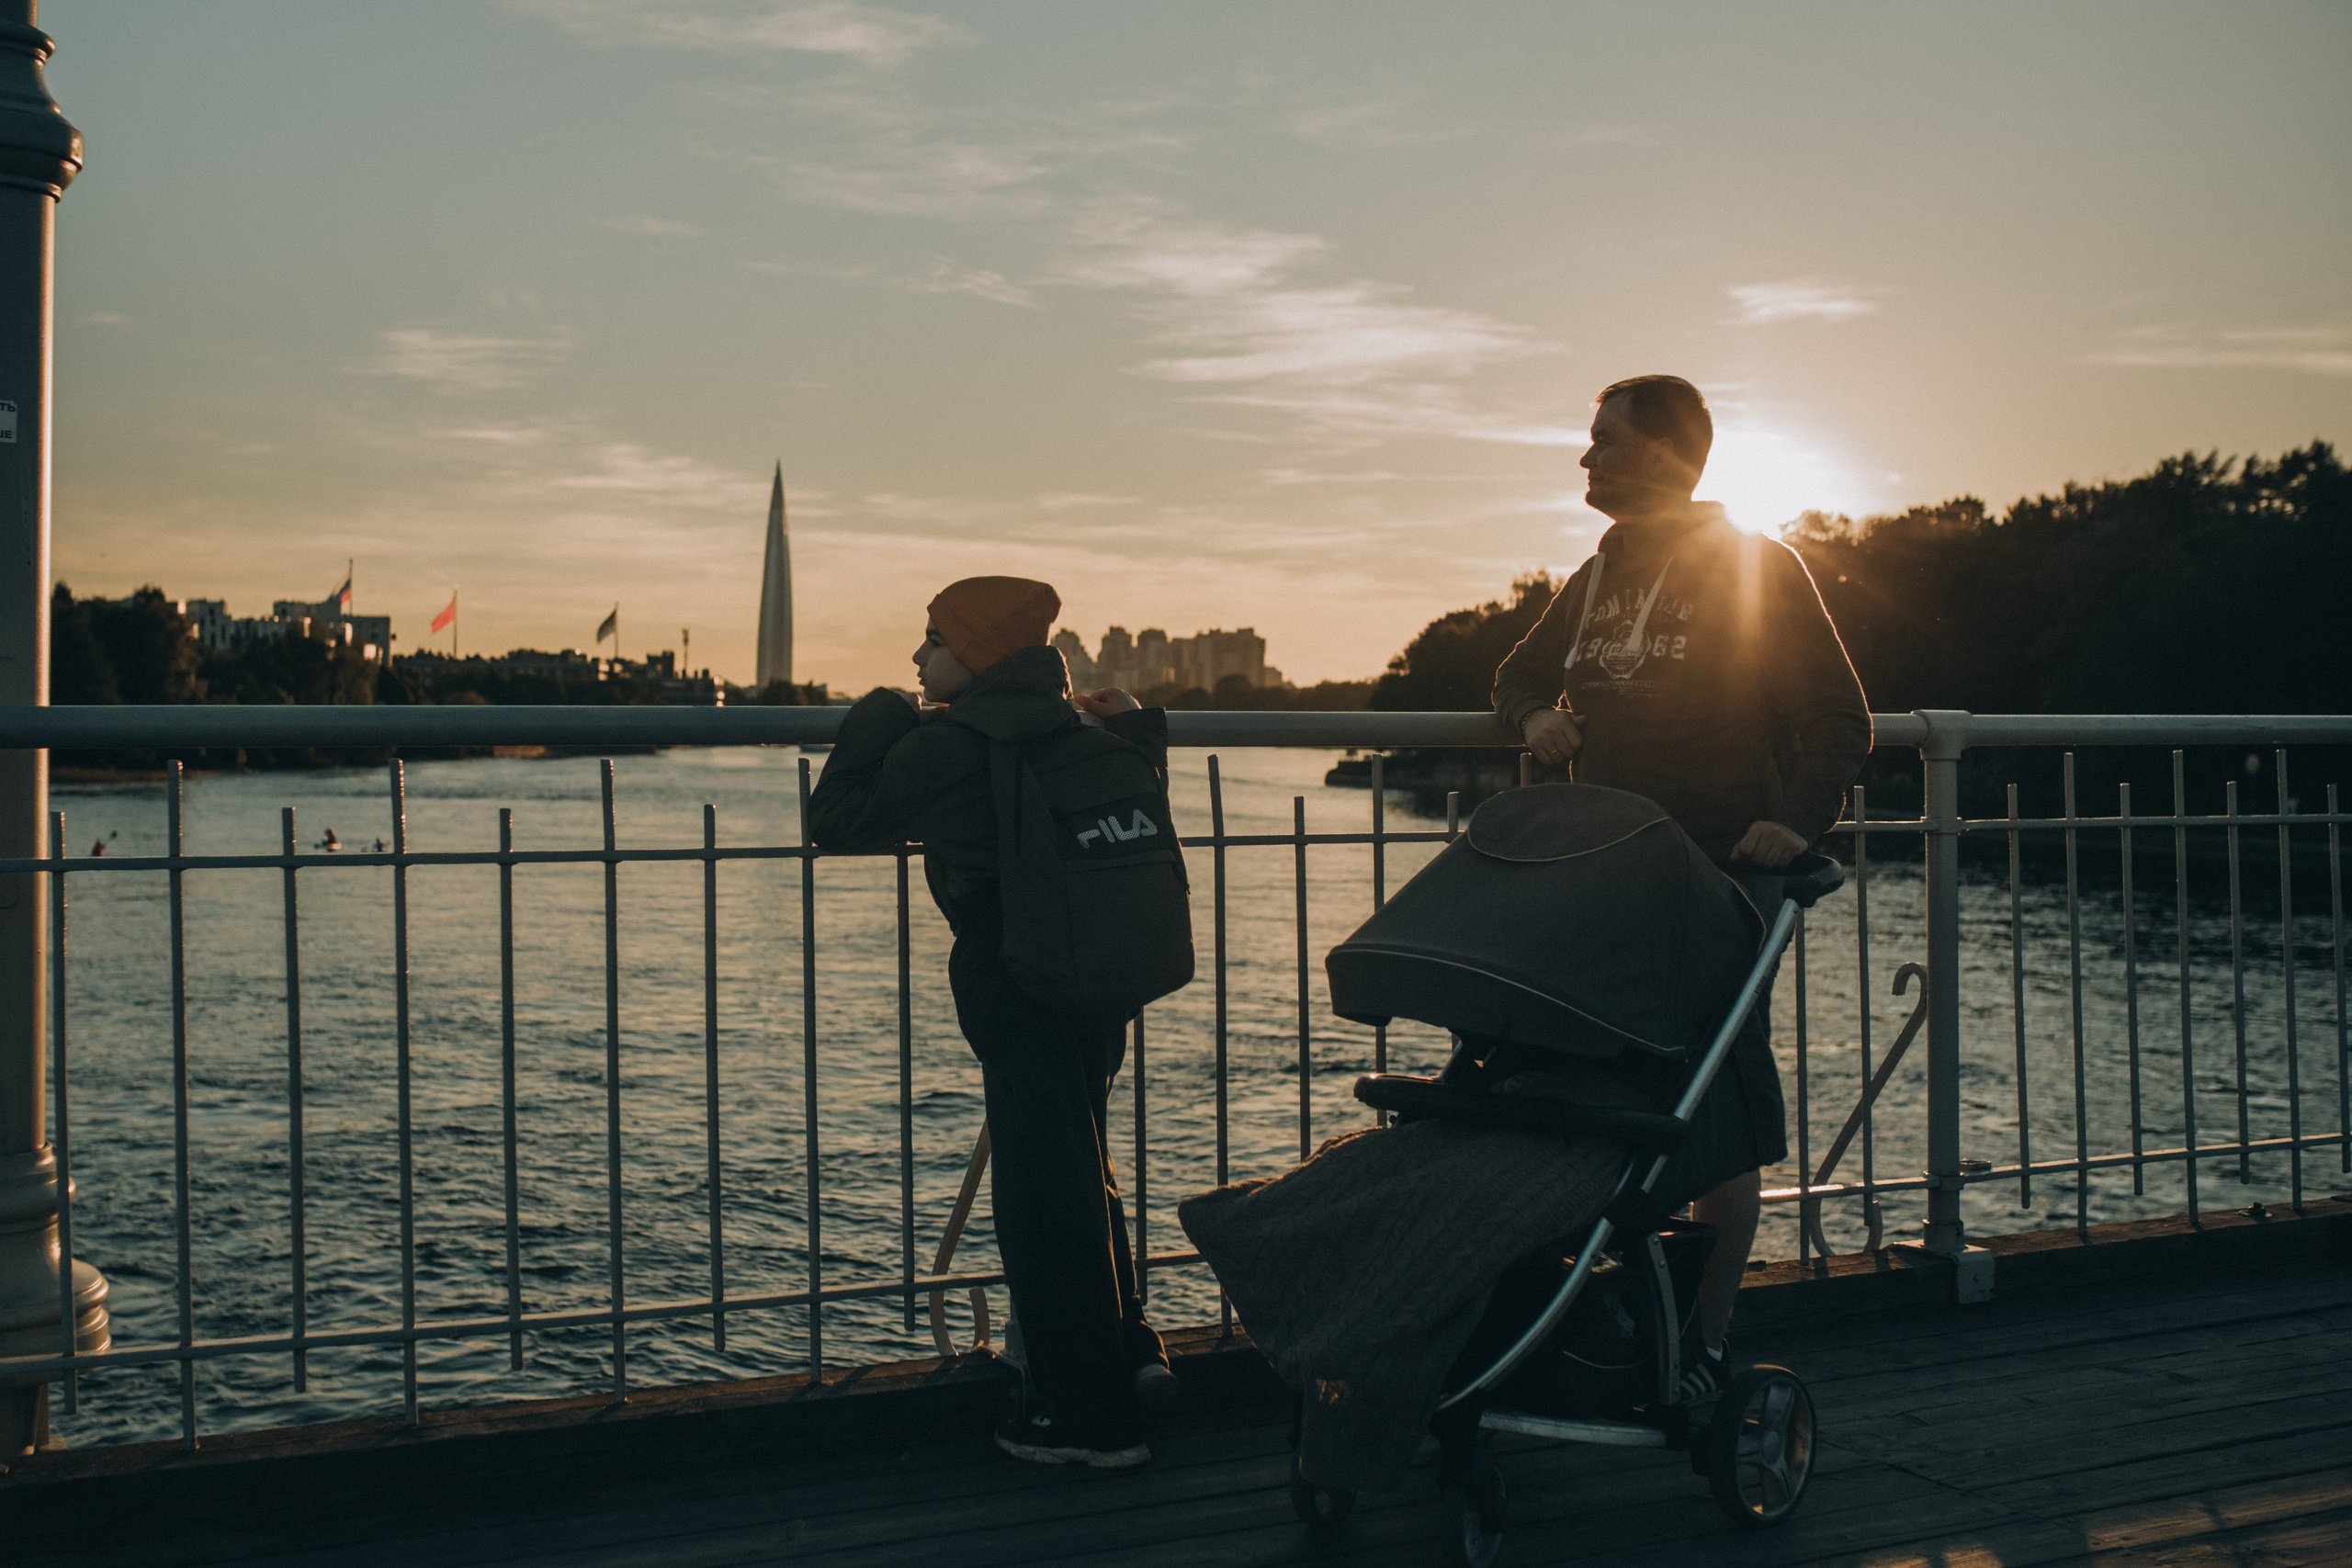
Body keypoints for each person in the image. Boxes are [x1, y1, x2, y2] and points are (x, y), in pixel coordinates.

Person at [1491, 374, 1871, 1392]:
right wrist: (1535, 717)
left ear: (1659, 456)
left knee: (1714, 1115)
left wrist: (1791, 821)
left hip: (1714, 881)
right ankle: (1596, 1326)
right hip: (1601, 884)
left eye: (1602, 440)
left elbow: (1838, 718)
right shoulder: (1599, 571)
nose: (1585, 457)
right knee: (1594, 1095)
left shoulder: (1757, 565)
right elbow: (1517, 673)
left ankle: (1698, 1346)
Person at [808, 576, 1173, 1470]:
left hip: (1017, 979)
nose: (915, 657)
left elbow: (837, 820)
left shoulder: (954, 745)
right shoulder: (1078, 725)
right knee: (1083, 1167)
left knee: (1040, 1198)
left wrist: (879, 714)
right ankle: (1126, 1353)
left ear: (973, 655)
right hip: (1098, 974)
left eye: (929, 640)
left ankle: (1086, 1418)